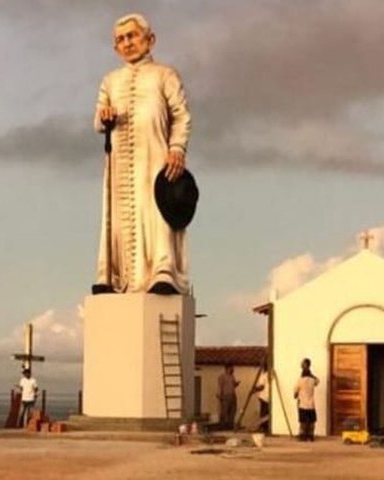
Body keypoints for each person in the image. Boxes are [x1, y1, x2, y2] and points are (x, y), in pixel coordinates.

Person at [92, 13, 192, 296]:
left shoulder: (165, 75)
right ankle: (111, 275)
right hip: (119, 163)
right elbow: (97, 122)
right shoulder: (110, 81)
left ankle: (162, 271)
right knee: (116, 219)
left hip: (155, 158)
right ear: (115, 48)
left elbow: (181, 115)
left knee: (156, 213)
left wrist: (177, 148)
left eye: (132, 36)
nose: (127, 43)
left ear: (150, 40)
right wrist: (105, 116)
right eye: (121, 39)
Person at [294, 358, 320, 442]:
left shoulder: (300, 380)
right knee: (312, 421)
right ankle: (310, 436)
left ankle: (302, 436)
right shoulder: (312, 380)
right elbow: (317, 381)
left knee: (303, 421)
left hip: (302, 404)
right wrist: (312, 375)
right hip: (311, 404)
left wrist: (296, 395)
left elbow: (295, 393)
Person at [216, 364, 240, 430]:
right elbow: (220, 386)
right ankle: (222, 426)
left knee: (232, 411)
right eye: (231, 368)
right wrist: (219, 395)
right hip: (225, 396)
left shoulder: (232, 376)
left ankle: (230, 425)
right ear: (227, 369)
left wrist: (236, 384)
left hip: (233, 395)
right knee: (224, 411)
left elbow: (233, 385)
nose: (232, 370)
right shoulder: (222, 377)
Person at [250, 361, 271, 434]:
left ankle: (263, 428)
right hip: (269, 397)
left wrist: (254, 390)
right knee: (268, 414)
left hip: (264, 397)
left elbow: (261, 386)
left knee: (263, 414)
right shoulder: (270, 374)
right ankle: (266, 428)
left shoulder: (264, 375)